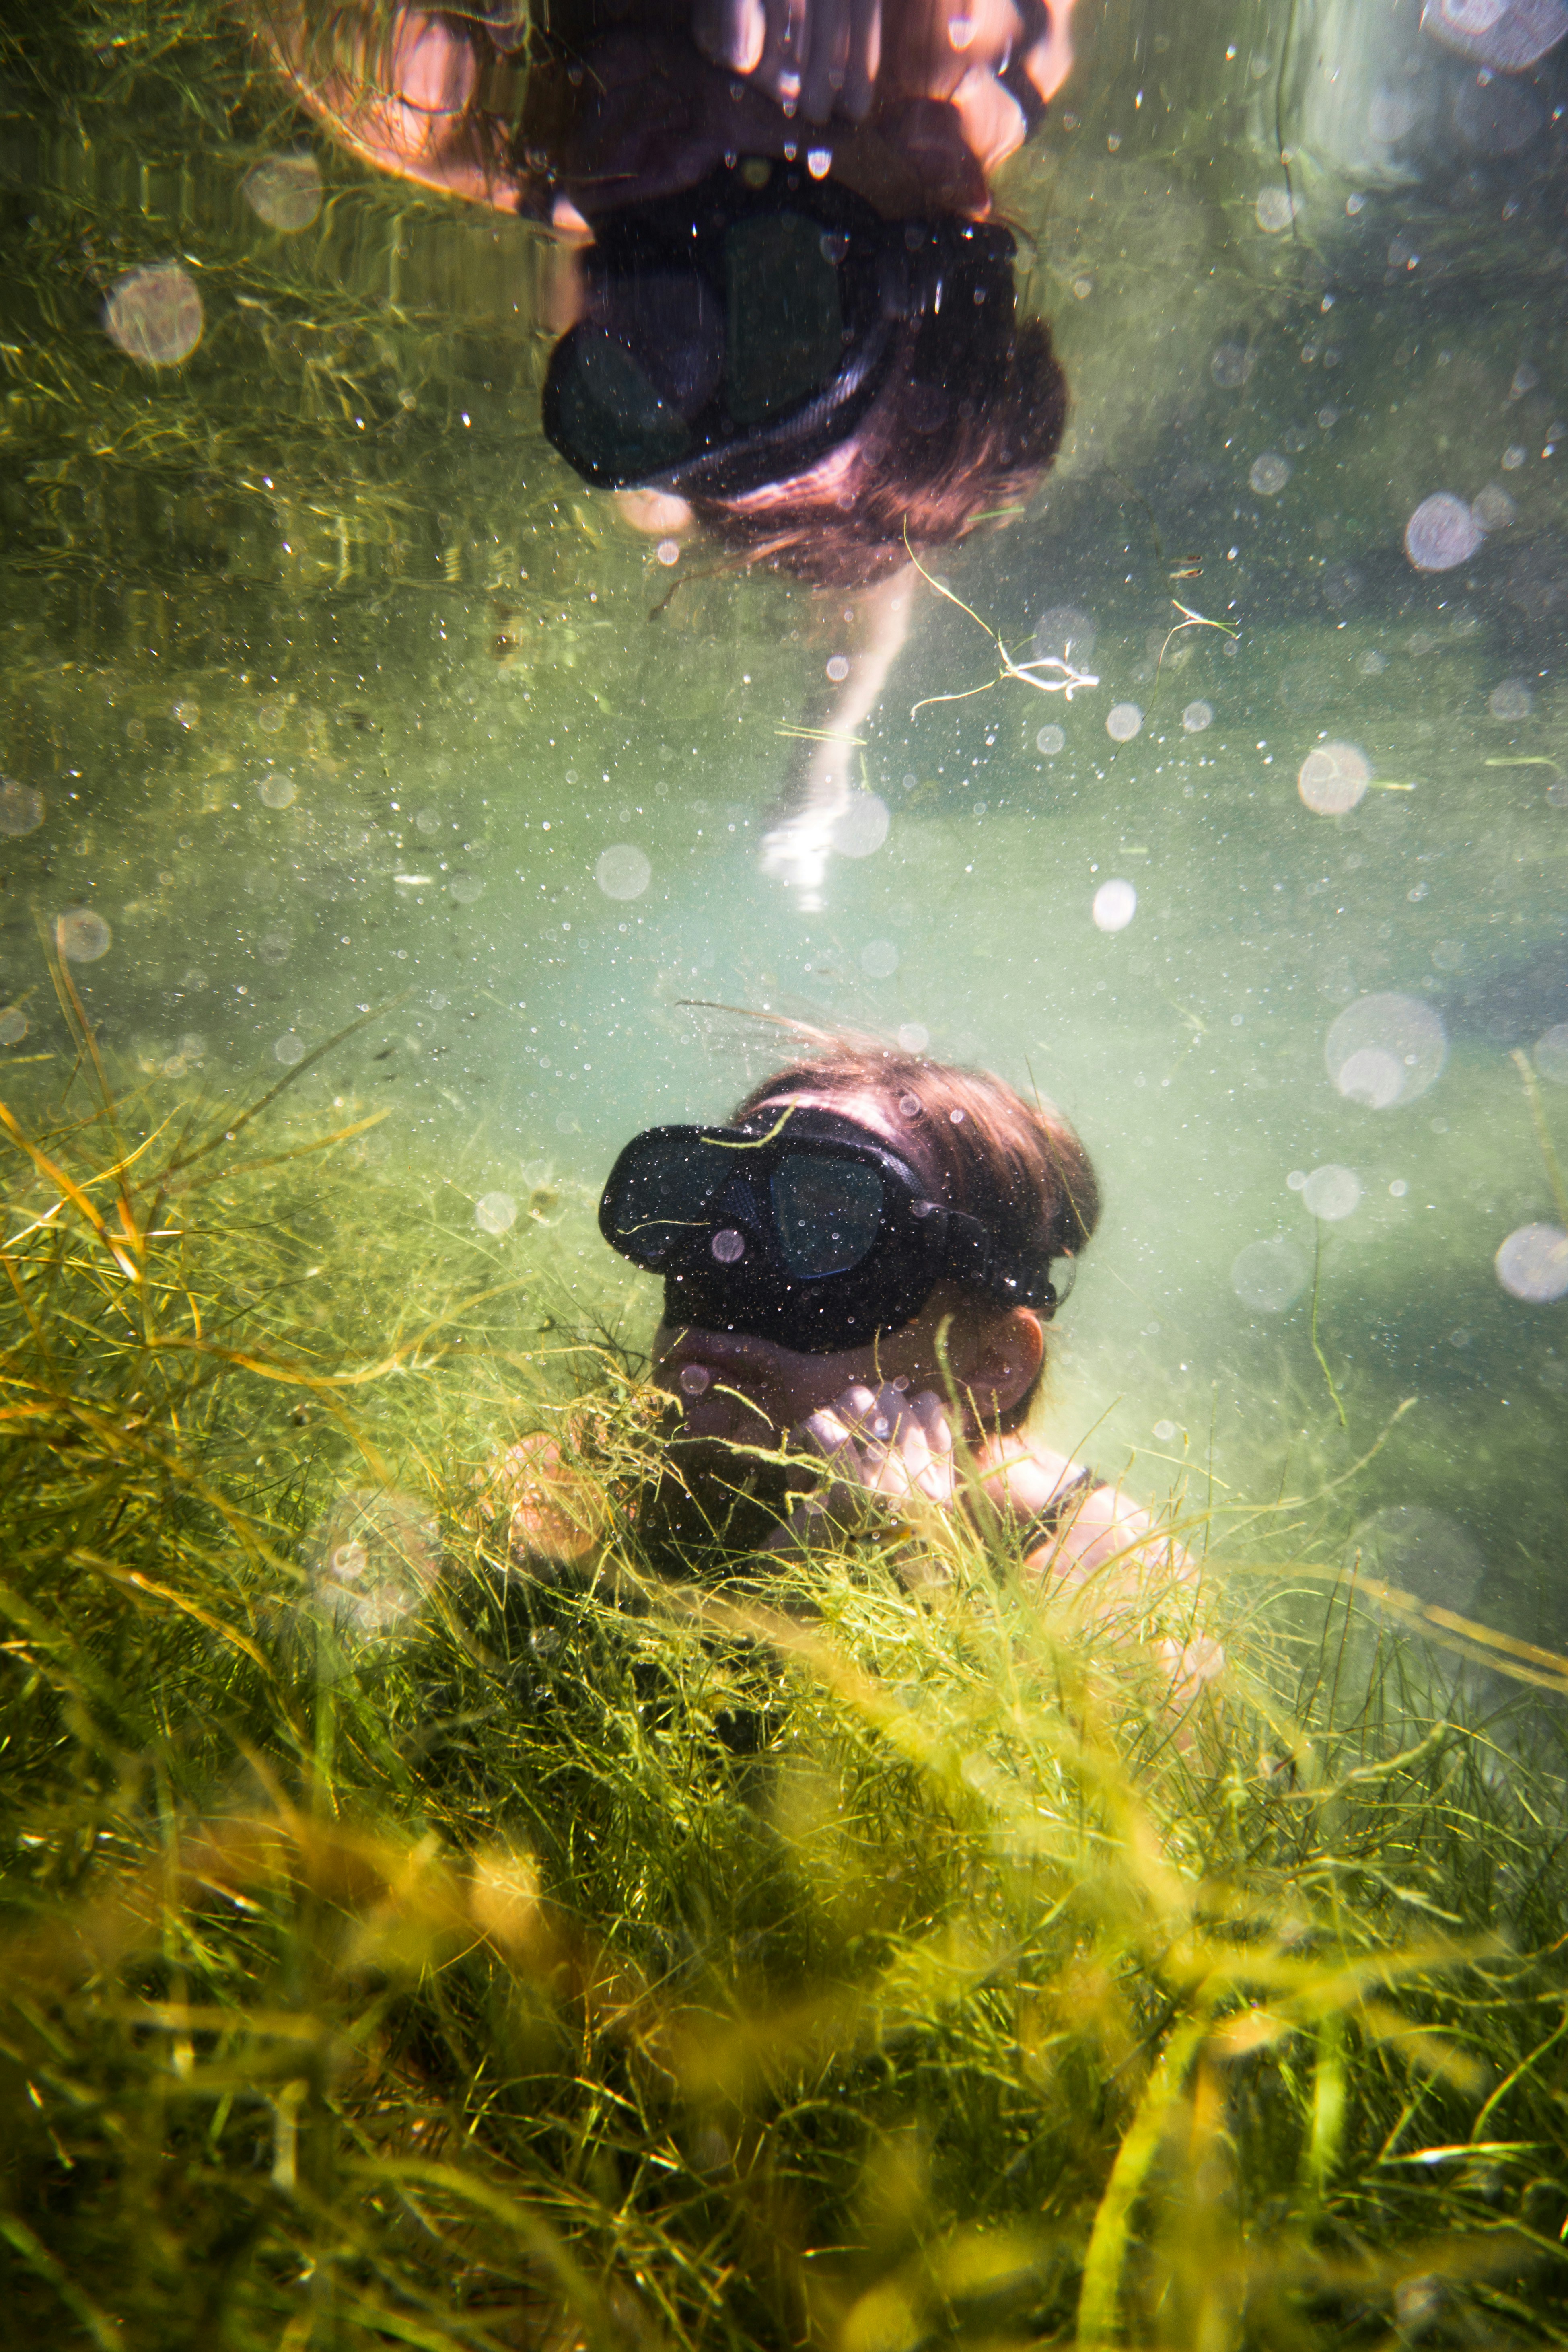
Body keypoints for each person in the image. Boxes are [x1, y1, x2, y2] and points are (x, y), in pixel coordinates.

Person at [500, 1032, 1221, 1710]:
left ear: (993, 1361)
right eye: (714, 1207)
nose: (725, 1264)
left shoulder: (1100, 1572)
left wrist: (907, 1580)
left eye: (830, 1229)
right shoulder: (581, 1475)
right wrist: (790, 1590)